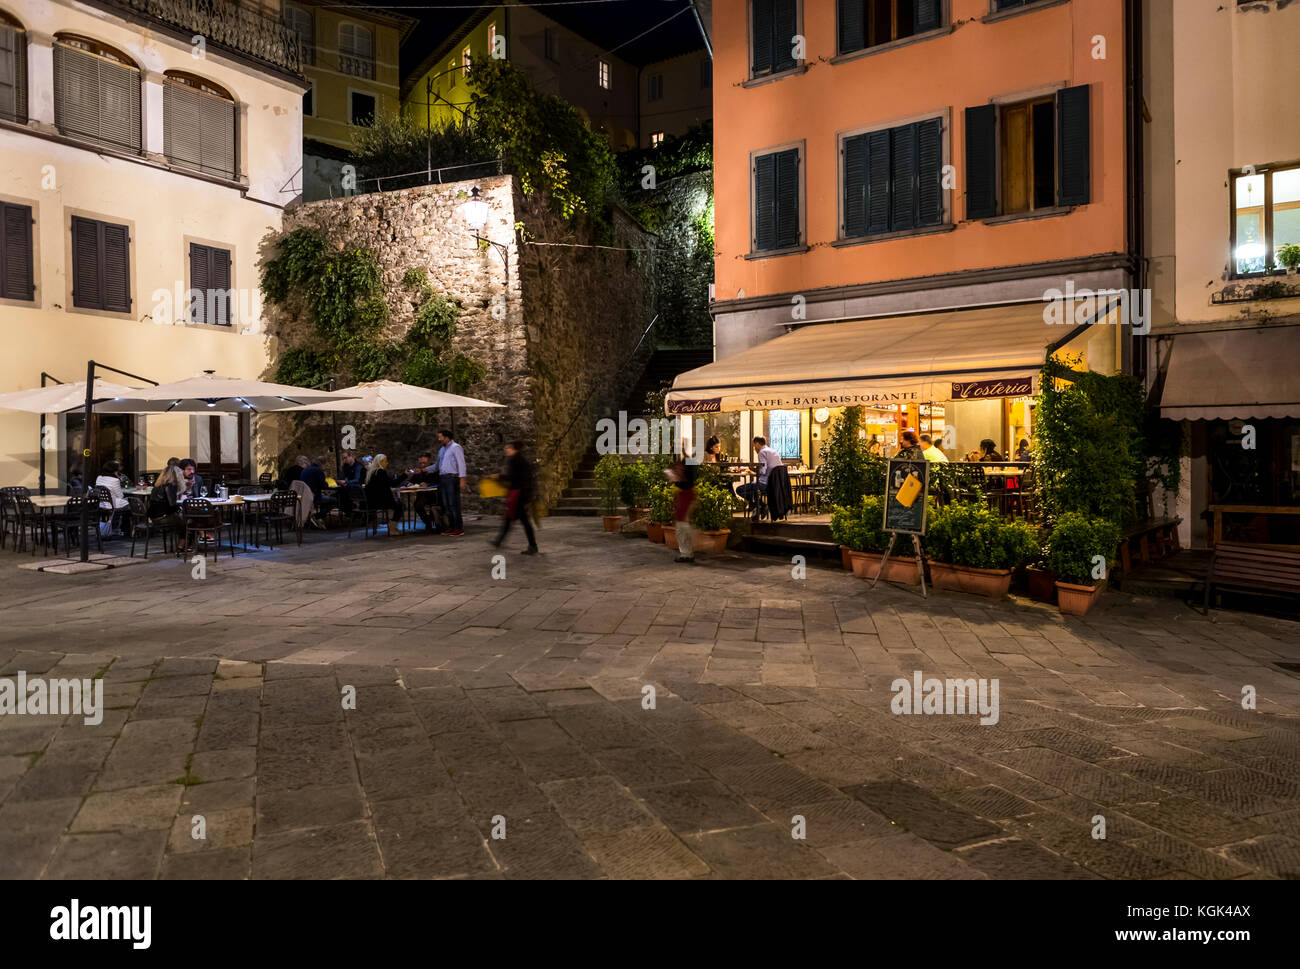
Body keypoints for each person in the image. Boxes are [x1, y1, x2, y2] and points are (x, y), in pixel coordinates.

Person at [491, 441, 538, 554]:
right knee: (510, 518)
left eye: (508, 448)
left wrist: (498, 476)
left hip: (518, 494)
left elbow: (512, 477)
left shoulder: (516, 460)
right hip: (520, 493)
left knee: (522, 520)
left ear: (514, 449)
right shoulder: (520, 460)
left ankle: (533, 546)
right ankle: (499, 540)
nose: (506, 450)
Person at [736, 436, 782, 518]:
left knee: (740, 490)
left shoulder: (762, 452)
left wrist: (752, 470)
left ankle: (759, 506)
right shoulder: (773, 451)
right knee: (753, 491)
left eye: (754, 446)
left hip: (765, 484)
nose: (754, 449)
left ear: (757, 444)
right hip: (775, 484)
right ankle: (759, 506)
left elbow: (762, 471)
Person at [667, 454, 699, 564]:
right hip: (686, 495)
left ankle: (686, 554)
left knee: (682, 528)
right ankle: (686, 553)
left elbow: (681, 481)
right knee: (682, 527)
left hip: (685, 496)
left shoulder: (686, 465)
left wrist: (673, 478)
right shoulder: (690, 467)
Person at [148, 465, 187, 552]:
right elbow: (171, 505)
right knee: (188, 522)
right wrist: (179, 508)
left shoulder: (157, 486)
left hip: (154, 518)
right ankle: (181, 546)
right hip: (164, 518)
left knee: (181, 520)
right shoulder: (171, 485)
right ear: (176, 475)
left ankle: (182, 545)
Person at [436, 429, 467, 536]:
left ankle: (459, 527)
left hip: (452, 478)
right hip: (443, 478)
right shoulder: (442, 450)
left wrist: (462, 478)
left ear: (447, 437)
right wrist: (424, 469)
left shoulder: (456, 447)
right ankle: (452, 526)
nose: (439, 439)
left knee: (454, 504)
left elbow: (461, 463)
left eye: (440, 437)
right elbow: (437, 465)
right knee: (446, 504)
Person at [363, 454, 401, 530]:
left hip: (371, 502)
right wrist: (405, 475)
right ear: (380, 462)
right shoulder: (380, 472)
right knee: (400, 506)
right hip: (380, 502)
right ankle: (392, 528)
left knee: (397, 504)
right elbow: (393, 483)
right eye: (385, 461)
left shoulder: (371, 472)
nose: (387, 463)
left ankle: (392, 526)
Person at [405, 453, 441, 533]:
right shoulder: (419, 471)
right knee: (417, 505)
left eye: (424, 463)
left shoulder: (435, 470)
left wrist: (428, 484)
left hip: (434, 495)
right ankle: (428, 523)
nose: (422, 465)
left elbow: (439, 481)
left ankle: (433, 522)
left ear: (430, 462)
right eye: (420, 463)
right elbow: (409, 480)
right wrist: (409, 484)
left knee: (430, 505)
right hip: (422, 496)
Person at [94, 460, 129, 537]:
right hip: (112, 505)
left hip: (102, 504)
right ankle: (126, 530)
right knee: (130, 505)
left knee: (121, 505)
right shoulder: (115, 480)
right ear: (115, 470)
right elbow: (120, 496)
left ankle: (115, 527)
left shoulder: (99, 477)